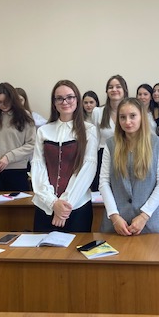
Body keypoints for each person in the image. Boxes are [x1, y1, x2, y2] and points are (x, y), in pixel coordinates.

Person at [32, 80, 99, 232]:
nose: (65, 102)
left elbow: (87, 169)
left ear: (77, 99)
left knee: (76, 247)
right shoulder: (43, 131)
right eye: (59, 98)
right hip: (45, 206)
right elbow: (38, 167)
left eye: (70, 97)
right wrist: (52, 203)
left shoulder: (89, 130)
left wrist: (64, 206)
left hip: (77, 206)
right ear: (54, 102)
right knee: (43, 246)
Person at [99, 97, 159, 235]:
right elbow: (104, 182)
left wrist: (144, 216)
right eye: (122, 117)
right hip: (117, 223)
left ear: (141, 117)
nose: (127, 122)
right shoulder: (110, 144)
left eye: (133, 116)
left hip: (150, 223)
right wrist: (114, 216)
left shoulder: (157, 144)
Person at [0, 83, 36, 191]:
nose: (3, 105)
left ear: (13, 99)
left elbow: (32, 144)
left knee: (19, 202)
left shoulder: (25, 116)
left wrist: (8, 157)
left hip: (17, 171)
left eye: (7, 101)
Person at [91, 75, 129, 190]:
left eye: (118, 87)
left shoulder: (131, 112)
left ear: (124, 90)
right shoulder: (98, 112)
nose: (114, 90)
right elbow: (94, 139)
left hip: (126, 155)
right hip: (103, 156)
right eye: (110, 87)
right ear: (106, 91)